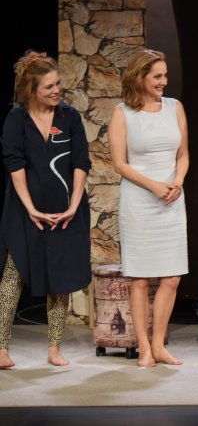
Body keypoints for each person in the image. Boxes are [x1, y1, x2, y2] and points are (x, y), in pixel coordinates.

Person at [0, 50, 91, 368]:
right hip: (24, 211)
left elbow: (81, 163)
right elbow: (15, 165)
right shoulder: (17, 119)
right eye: (49, 86)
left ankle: (54, 348)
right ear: (31, 90)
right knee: (13, 275)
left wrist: (74, 206)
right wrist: (30, 208)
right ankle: (1, 348)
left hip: (66, 211)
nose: (56, 90)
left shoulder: (69, 117)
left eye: (58, 84)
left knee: (60, 279)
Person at [108, 49, 189, 367]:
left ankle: (159, 345)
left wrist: (177, 181)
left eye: (165, 75)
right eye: (157, 76)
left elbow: (183, 154)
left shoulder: (175, 107)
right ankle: (143, 347)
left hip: (171, 201)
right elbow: (119, 164)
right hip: (139, 201)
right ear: (139, 76)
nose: (163, 81)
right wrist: (153, 185)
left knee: (172, 277)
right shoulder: (122, 113)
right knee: (140, 279)